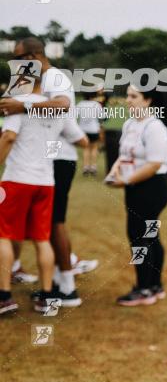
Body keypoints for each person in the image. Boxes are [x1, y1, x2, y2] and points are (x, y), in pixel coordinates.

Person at [0, 37, 98, 305]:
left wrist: (22, 106)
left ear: (32, 56)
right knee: (42, 230)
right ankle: (49, 282)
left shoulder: (55, 77)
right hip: (46, 163)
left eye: (18, 58)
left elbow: (63, 105)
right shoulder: (29, 83)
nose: (16, 64)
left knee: (52, 225)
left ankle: (66, 286)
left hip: (56, 160)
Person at [106, 85, 167, 306]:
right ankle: (154, 285)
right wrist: (114, 172)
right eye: (127, 95)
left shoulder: (155, 128)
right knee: (149, 236)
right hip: (136, 188)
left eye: (133, 96)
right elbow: (123, 155)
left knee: (139, 237)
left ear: (148, 100)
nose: (128, 100)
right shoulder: (129, 124)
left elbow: (154, 164)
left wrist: (125, 180)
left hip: (152, 189)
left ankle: (144, 289)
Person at [77, 92, 105, 175]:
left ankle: (85, 167)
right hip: (94, 129)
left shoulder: (80, 104)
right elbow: (102, 116)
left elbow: (74, 115)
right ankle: (93, 167)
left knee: (86, 148)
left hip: (83, 130)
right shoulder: (96, 104)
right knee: (94, 148)